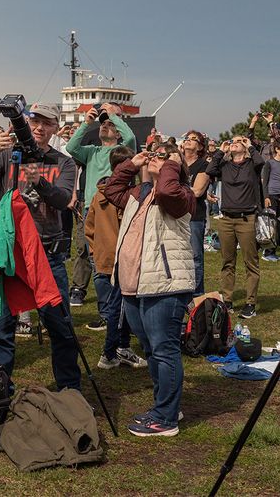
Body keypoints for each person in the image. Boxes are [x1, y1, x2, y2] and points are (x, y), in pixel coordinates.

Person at [0, 101, 81, 392]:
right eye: (35, 122)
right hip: (10, 252)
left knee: (60, 327)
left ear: (56, 127)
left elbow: (62, 200)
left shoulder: (64, 162)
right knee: (0, 328)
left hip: (47, 254)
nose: (39, 128)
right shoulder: (10, 154)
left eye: (47, 123)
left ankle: (70, 392)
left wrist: (40, 182)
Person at [104, 141, 195, 437]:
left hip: (164, 285)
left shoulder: (181, 195)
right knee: (152, 350)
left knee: (163, 350)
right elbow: (110, 190)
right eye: (155, 155)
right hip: (134, 284)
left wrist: (171, 163)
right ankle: (167, 405)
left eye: (165, 158)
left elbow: (168, 190)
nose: (157, 160)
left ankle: (166, 419)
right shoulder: (141, 194)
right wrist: (133, 164)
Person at [66, 102, 137, 311]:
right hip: (91, 208)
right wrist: (87, 122)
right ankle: (106, 310)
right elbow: (71, 147)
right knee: (95, 259)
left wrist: (113, 116)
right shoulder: (91, 151)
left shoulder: (122, 151)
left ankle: (116, 307)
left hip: (114, 208)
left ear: (117, 133)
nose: (104, 127)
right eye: (102, 124)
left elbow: (131, 138)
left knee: (115, 259)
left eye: (109, 125)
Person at [84, 145, 147, 369]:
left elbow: (88, 227)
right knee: (119, 308)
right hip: (118, 258)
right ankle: (113, 351)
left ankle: (119, 348)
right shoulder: (123, 196)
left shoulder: (99, 193)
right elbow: (90, 227)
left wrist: (95, 249)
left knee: (115, 307)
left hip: (104, 256)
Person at [205, 134, 265, 319]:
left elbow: (261, 162)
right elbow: (210, 170)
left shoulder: (251, 165)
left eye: (239, 141)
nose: (234, 143)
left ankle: (250, 303)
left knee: (250, 262)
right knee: (227, 262)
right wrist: (220, 152)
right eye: (233, 141)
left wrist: (250, 146)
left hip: (246, 218)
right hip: (226, 219)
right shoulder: (225, 166)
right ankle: (228, 300)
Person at [181, 130, 210, 295]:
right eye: (187, 138)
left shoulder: (203, 165)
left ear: (200, 147)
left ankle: (197, 295)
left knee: (195, 257)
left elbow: (197, 191)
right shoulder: (176, 163)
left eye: (194, 139)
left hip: (194, 216)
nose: (189, 141)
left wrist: (174, 189)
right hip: (175, 215)